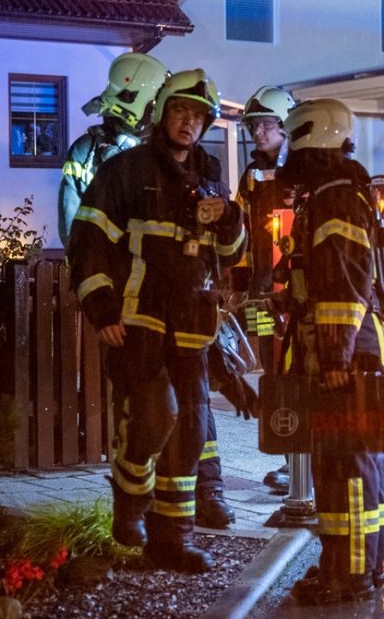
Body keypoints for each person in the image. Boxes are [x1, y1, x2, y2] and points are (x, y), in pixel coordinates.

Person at [66, 69, 246, 572]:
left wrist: (230, 218)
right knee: (152, 416)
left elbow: (229, 255)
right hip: (136, 321)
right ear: (162, 113)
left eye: (197, 116)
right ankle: (131, 504)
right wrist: (101, 310)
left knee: (189, 432)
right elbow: (87, 241)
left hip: (192, 328)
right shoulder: (125, 170)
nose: (188, 123)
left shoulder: (211, 175)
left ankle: (173, 539)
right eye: (179, 112)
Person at [273, 99, 384, 604]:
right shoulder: (336, 191)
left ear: (309, 137)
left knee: (344, 465)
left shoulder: (337, 197)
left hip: (347, 357)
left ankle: (349, 574)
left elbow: (345, 285)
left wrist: (335, 358)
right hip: (350, 352)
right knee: (349, 464)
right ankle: (354, 565)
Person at [237, 85, 298, 495]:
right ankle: (288, 457)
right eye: (254, 126)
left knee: (297, 370)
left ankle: (302, 460)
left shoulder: (304, 170)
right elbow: (240, 228)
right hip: (262, 292)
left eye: (265, 124)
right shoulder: (253, 175)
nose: (258, 132)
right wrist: (240, 278)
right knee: (272, 373)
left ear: (285, 126)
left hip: (295, 293)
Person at [57, 52, 167, 247]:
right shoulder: (86, 151)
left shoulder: (166, 155)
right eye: (155, 104)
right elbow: (70, 223)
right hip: (102, 267)